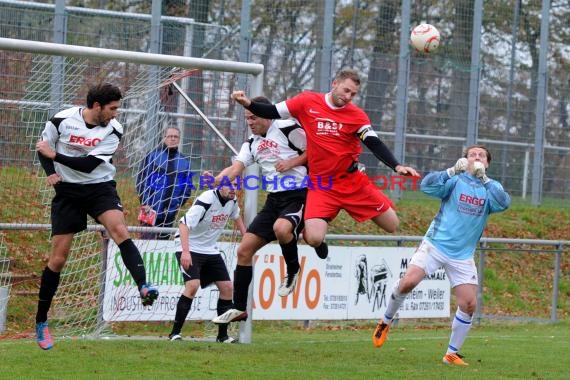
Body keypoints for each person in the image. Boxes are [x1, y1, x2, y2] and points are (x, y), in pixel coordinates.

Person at [229, 69, 419, 259]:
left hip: (352, 182)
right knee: (313, 238)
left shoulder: (357, 116)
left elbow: (373, 142)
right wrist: (248, 103)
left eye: (353, 94)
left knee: (392, 225)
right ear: (334, 83)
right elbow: (271, 111)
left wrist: (396, 166)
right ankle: (316, 237)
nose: (348, 97)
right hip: (322, 185)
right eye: (346, 90)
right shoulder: (307, 102)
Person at [34, 82, 159, 350]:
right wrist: (50, 171)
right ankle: (41, 321)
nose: (116, 113)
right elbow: (42, 147)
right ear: (96, 106)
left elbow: (89, 164)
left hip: (99, 188)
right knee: (58, 258)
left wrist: (55, 156)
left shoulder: (113, 129)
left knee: (120, 230)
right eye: (112, 108)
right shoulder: (61, 120)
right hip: (67, 192)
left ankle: (144, 286)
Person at [372, 145, 511, 366]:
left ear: (487, 163)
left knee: (469, 303)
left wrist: (484, 180)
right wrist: (450, 171)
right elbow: (426, 186)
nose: (477, 158)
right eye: (472, 155)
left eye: (481, 156)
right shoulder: (455, 180)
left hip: (462, 255)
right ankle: (386, 320)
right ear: (464, 160)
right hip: (435, 244)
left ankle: (451, 354)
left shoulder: (491, 187)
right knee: (408, 282)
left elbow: (503, 203)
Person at [211, 96, 309, 325]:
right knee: (244, 250)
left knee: (282, 229)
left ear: (266, 114)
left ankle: (292, 271)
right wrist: (216, 179)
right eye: (247, 118)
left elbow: (315, 152)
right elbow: (236, 168)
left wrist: (291, 163)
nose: (250, 122)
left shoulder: (286, 128)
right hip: (274, 201)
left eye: (253, 117)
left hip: (299, 195)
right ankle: (239, 308)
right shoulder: (251, 143)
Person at [168, 179, 246, 343]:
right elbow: (183, 225)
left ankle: (222, 336)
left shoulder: (232, 201)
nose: (233, 189)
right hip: (189, 246)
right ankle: (174, 334)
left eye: (236, 186)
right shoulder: (207, 199)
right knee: (192, 285)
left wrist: (247, 241)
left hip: (209, 249)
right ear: (220, 185)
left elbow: (237, 218)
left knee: (227, 288)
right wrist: (186, 252)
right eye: (230, 185)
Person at [136, 126, 192, 240]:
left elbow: (187, 187)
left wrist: (178, 204)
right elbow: (141, 180)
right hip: (149, 209)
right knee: (146, 243)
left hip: (170, 211)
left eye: (175, 137)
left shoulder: (184, 161)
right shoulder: (151, 156)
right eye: (169, 136)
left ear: (179, 139)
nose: (172, 139)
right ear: (164, 138)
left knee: (163, 244)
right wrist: (144, 202)